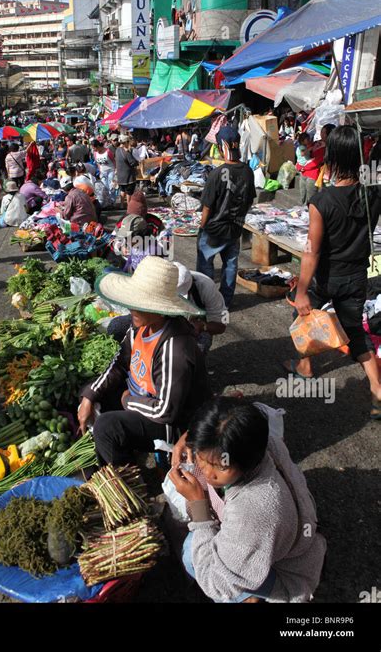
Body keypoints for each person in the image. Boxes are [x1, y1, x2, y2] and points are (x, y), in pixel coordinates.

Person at [170, 403, 327, 603]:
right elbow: (228, 419)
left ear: (247, 460)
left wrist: (198, 506)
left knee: (190, 553)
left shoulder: (254, 509)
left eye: (219, 466)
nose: (208, 473)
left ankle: (251, 597)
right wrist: (192, 437)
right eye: (202, 458)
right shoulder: (264, 441)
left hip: (290, 580)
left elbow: (216, 583)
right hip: (288, 542)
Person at [283, 125, 381, 420]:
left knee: (299, 311)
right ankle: (377, 389)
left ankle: (306, 367)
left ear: (332, 157)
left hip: (327, 278)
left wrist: (301, 291)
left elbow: (311, 251)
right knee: (356, 334)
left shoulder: (321, 201)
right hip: (356, 277)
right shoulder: (372, 194)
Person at [77, 256, 212, 464]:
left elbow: (165, 411)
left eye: (141, 305)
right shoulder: (139, 328)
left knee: (106, 426)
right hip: (141, 396)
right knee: (92, 393)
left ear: (161, 309)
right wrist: (89, 396)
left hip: (173, 424)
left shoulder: (175, 347)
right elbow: (120, 363)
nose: (133, 309)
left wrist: (127, 400)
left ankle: (126, 481)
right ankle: (117, 454)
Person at [197, 126, 256, 307]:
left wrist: (202, 226)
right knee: (230, 265)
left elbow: (207, 206)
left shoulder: (216, 174)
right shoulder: (247, 171)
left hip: (214, 228)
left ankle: (207, 302)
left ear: (223, 147)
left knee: (206, 265)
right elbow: (249, 200)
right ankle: (225, 301)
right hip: (234, 228)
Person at [173, 262, 227, 356]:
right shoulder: (155, 284)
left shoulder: (207, 287)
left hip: (195, 326)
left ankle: (197, 365)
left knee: (198, 348)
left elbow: (222, 326)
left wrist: (202, 326)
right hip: (169, 326)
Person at [115, 135, 138, 208]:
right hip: (128, 176)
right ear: (126, 142)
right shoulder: (126, 152)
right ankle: (129, 205)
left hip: (120, 176)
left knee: (122, 190)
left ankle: (121, 205)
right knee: (129, 191)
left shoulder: (117, 150)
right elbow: (133, 163)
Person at [295, 132, 314, 205]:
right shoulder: (302, 147)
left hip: (302, 166)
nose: (309, 140)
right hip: (304, 165)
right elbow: (303, 154)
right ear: (302, 140)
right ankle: (303, 201)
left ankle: (303, 201)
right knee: (304, 186)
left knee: (303, 185)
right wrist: (310, 149)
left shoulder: (301, 146)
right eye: (307, 139)